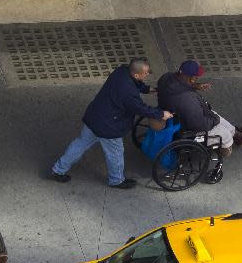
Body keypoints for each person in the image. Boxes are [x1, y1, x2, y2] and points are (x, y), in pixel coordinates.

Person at [50, 58, 173, 189]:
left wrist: (147, 89)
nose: (148, 74)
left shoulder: (122, 71)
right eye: (146, 72)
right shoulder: (129, 92)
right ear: (137, 74)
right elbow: (140, 108)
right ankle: (116, 180)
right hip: (109, 126)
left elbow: (134, 83)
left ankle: (58, 170)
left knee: (80, 144)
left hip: (95, 117)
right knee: (115, 153)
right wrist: (161, 114)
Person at [156, 60, 242, 157]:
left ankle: (238, 135)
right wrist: (214, 119)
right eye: (196, 77)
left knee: (214, 116)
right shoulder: (188, 99)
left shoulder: (167, 77)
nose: (197, 78)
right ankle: (225, 147)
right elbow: (200, 125)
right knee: (222, 131)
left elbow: (180, 86)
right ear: (191, 78)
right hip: (187, 126)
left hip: (173, 112)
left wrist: (195, 86)